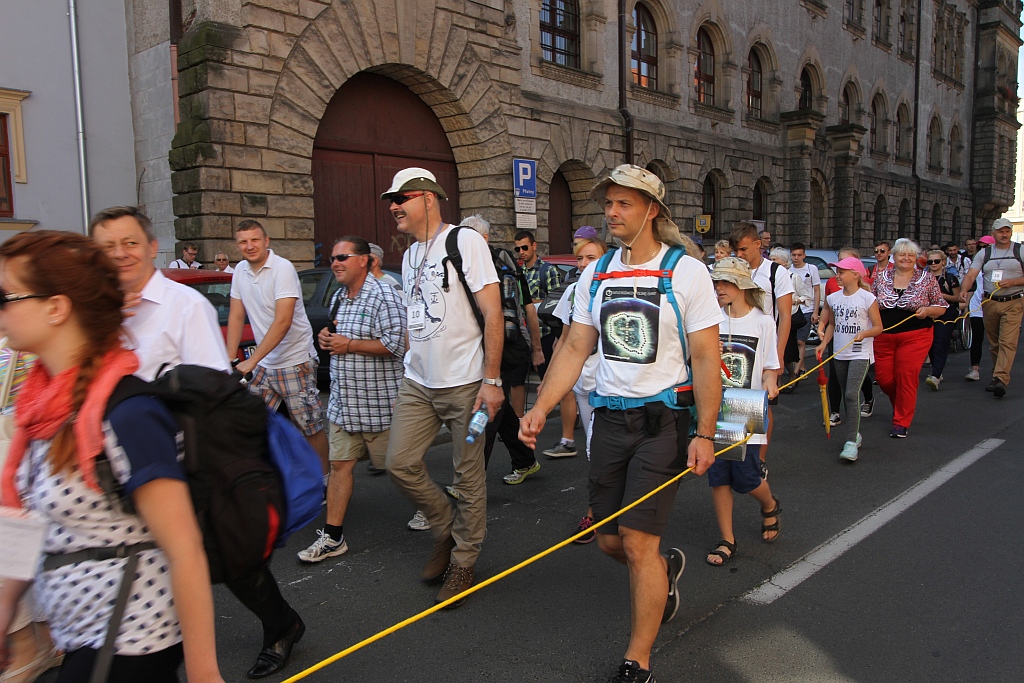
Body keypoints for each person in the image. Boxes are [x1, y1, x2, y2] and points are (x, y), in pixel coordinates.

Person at [520, 164, 722, 683]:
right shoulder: (598, 273)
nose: (611, 212)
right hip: (609, 419)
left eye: (623, 204)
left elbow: (705, 357)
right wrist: (541, 407)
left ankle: (638, 660)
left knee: (636, 541)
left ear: (652, 210)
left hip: (664, 422)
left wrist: (704, 432)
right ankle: (663, 571)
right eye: (608, 203)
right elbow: (575, 347)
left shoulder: (686, 272)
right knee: (611, 541)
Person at [0, 231, 223, 683]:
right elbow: (37, 521)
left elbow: (184, 548)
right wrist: (4, 609)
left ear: (56, 308)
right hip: (79, 635)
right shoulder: (41, 409)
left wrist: (204, 672)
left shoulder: (127, 414)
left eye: (5, 297)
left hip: (131, 637)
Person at [90, 207, 303, 680]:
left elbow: (213, 390)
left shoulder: (184, 306)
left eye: (129, 242)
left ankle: (281, 624)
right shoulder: (96, 312)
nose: (120, 254)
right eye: (107, 246)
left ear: (151, 248)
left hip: (187, 458)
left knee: (228, 556)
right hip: (118, 467)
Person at [381, 168, 504, 608]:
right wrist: (410, 359)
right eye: (392, 201)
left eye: (402, 198)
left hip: (467, 386)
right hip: (418, 383)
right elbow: (415, 315)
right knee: (398, 463)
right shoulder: (411, 254)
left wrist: (492, 381)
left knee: (468, 477)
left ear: (429, 198)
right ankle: (444, 527)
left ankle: (463, 561)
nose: (395, 206)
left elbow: (493, 314)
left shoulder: (465, 241)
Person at [298, 237, 406, 563]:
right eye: (332, 257)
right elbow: (337, 334)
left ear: (364, 260)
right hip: (344, 404)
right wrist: (326, 337)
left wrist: (349, 345)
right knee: (339, 466)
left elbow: (397, 344)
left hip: (379, 407)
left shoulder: (385, 295)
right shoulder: (339, 296)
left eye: (342, 257)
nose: (335, 263)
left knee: (404, 469)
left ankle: (436, 512)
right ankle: (333, 537)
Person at [226, 220, 328, 467]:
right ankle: (276, 478)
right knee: (255, 425)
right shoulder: (239, 271)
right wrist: (229, 360)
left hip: (295, 361)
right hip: (264, 364)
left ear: (266, 241)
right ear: (237, 245)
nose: (250, 246)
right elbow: (236, 316)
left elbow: (283, 321)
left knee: (309, 426)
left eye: (255, 240)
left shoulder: (282, 269)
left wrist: (251, 361)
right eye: (243, 242)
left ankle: (324, 480)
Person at [706, 257, 781, 567]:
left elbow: (770, 366)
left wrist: (770, 381)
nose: (719, 288)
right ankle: (727, 539)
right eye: (717, 282)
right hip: (713, 401)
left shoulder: (763, 322)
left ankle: (770, 504)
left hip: (745, 403)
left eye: (726, 282)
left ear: (742, 285)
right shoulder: (710, 318)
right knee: (718, 477)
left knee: (746, 478)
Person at [460, 214, 545, 486]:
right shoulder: (505, 264)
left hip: (504, 349)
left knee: (486, 414)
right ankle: (525, 460)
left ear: (483, 238)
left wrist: (537, 349)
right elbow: (527, 308)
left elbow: (529, 309)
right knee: (503, 411)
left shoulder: (485, 267)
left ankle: (471, 483)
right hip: (502, 347)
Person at [550, 236, 608, 544]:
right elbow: (564, 340)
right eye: (580, 258)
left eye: (591, 258)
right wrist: (551, 381)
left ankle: (595, 513)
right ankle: (606, 507)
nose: (584, 264)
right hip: (582, 382)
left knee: (597, 450)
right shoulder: (573, 291)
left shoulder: (613, 289)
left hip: (607, 384)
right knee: (593, 450)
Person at [731, 222, 792, 475]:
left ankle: (759, 460)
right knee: (735, 402)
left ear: (758, 244)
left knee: (763, 405)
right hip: (737, 346)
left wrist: (778, 356)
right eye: (736, 250)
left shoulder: (776, 272)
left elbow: (785, 317)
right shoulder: (733, 270)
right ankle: (734, 455)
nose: (739, 255)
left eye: (744, 249)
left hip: (765, 346)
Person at [872, 238, 947, 437]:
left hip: (916, 335)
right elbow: (871, 303)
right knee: (884, 379)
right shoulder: (881, 277)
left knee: (906, 377)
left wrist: (928, 310)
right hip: (884, 335)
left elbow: (941, 307)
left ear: (916, 258)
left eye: (910, 255)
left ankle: (901, 422)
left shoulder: (927, 278)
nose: (906, 258)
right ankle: (902, 405)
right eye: (902, 254)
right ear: (894, 256)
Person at [514, 230, 575, 456]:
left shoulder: (547, 270)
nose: (521, 252)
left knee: (558, 381)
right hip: (527, 335)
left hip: (547, 334)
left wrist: (531, 305)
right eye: (517, 249)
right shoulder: (519, 271)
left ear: (534, 246)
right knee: (532, 381)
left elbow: (556, 301)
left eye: (524, 247)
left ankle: (568, 432)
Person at [815, 258, 883, 461]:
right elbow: (832, 324)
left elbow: (879, 327)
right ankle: (855, 433)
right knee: (847, 395)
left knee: (852, 394)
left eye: (842, 272)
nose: (837, 275)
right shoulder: (833, 298)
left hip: (860, 353)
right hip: (840, 352)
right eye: (837, 271)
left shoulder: (867, 298)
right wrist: (823, 343)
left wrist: (865, 333)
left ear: (855, 275)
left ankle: (851, 441)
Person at [958, 218, 1024, 398]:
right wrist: (964, 290)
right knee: (995, 343)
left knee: (1007, 341)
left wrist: (1013, 282)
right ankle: (997, 374)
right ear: (993, 233)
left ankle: (1001, 379)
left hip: (1013, 301)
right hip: (990, 302)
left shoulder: (1020, 250)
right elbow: (971, 274)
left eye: (1007, 231)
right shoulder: (985, 253)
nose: (1004, 234)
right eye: (1001, 231)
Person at [769, 247, 808, 390]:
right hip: (773, 316)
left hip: (788, 317)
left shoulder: (793, 277)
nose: (772, 262)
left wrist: (794, 301)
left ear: (784, 262)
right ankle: (777, 382)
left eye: (775, 260)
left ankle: (792, 374)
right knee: (773, 349)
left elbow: (807, 297)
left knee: (786, 352)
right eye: (771, 259)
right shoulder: (768, 276)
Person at [925, 249, 961, 390]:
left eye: (937, 261)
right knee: (930, 344)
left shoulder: (950, 278)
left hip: (946, 314)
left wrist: (942, 296)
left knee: (940, 343)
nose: (933, 264)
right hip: (928, 314)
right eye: (930, 261)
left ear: (943, 262)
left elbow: (957, 298)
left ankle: (936, 375)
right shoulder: (923, 278)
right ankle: (937, 369)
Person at [789, 242, 820, 376]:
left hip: (807, 308)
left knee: (801, 341)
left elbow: (816, 290)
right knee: (793, 341)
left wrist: (815, 311)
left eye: (799, 255)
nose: (796, 258)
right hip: (792, 309)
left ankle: (796, 372)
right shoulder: (788, 270)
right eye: (794, 255)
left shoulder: (811, 269)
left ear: (804, 255)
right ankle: (801, 367)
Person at [964, 239, 991, 381]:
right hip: (977, 306)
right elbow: (969, 281)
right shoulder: (974, 264)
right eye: (980, 247)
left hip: (994, 305)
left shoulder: (1000, 264)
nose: (983, 249)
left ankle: (999, 370)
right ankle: (974, 369)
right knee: (977, 338)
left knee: (997, 340)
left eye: (987, 247)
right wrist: (965, 303)